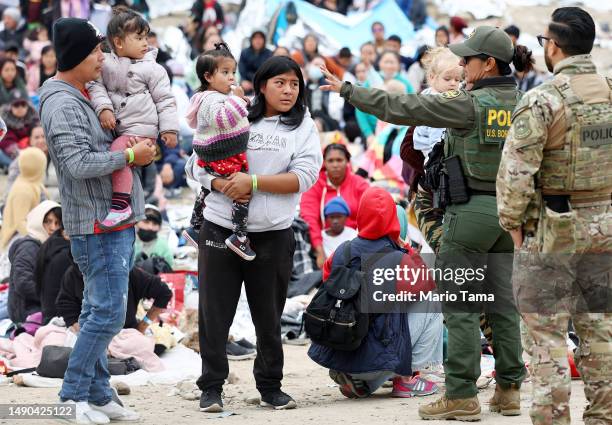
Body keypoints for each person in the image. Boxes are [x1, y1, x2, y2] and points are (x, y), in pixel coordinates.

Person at [320, 24, 532, 420]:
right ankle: (509, 390)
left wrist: (349, 91)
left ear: (488, 65)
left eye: (468, 59)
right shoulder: (523, 102)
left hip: (468, 215)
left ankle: (461, 395)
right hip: (510, 216)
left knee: (462, 306)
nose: (464, 65)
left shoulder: (468, 104)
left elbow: (404, 108)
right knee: (503, 305)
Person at [497, 7, 612, 425]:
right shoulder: (610, 92)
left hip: (552, 231)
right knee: (600, 334)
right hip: (604, 228)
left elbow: (514, 176)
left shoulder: (543, 99)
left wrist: (514, 231)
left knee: (546, 342)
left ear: (554, 46)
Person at [39, 17, 156, 424]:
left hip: (110, 221)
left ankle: (100, 393)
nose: (102, 58)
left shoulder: (85, 92)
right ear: (75, 57)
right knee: (106, 313)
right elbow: (75, 164)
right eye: (95, 51)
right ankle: (71, 396)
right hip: (96, 223)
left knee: (97, 310)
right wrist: (129, 156)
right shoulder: (61, 102)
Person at [193, 56, 322, 412]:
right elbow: (197, 162)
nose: (288, 90)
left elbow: (305, 176)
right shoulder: (230, 113)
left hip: (273, 234)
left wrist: (252, 182)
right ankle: (211, 386)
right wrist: (220, 183)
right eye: (280, 82)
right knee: (214, 313)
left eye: (294, 84)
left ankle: (269, 386)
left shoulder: (303, 126)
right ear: (261, 85)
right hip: (220, 227)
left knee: (269, 315)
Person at [308, 187, 433, 398]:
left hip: (339, 346)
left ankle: (354, 378)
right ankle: (406, 379)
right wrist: (409, 250)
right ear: (393, 219)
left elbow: (328, 280)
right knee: (431, 301)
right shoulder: (399, 259)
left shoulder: (343, 250)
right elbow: (427, 283)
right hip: (378, 358)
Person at [89, 6, 178, 230]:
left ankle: (120, 206)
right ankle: (122, 202)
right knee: (122, 160)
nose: (145, 42)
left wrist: (169, 129)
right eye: (139, 38)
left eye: (146, 37)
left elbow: (165, 100)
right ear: (118, 43)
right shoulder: (105, 63)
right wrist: (104, 108)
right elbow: (96, 86)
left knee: (119, 152)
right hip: (121, 126)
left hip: (142, 128)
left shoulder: (152, 68)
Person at [183, 43, 255, 259]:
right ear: (208, 77)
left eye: (233, 72)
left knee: (207, 189)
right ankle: (239, 236)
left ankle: (195, 227)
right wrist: (236, 99)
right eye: (225, 73)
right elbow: (224, 120)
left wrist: (239, 101)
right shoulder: (210, 99)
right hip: (223, 156)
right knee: (242, 193)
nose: (231, 77)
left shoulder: (214, 97)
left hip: (218, 155)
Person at [412, 47, 463, 251]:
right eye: (448, 78)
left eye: (457, 80)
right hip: (434, 166)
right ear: (432, 78)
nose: (453, 83)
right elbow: (436, 145)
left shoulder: (439, 98)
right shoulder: (435, 103)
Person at [300, 143, 368, 268]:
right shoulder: (314, 185)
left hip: (356, 245)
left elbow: (369, 216)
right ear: (324, 163)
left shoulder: (359, 184)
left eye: (339, 160)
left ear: (347, 161)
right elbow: (309, 219)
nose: (335, 165)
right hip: (323, 245)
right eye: (330, 161)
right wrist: (320, 252)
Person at [57, 262, 172, 334]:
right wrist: (78, 328)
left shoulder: (127, 272)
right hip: (85, 335)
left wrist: (142, 326)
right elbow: (65, 303)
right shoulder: (75, 272)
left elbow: (164, 293)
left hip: (123, 335)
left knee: (141, 345)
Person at [7, 200, 61, 324]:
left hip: (39, 307)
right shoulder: (29, 247)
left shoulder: (48, 245)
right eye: (48, 221)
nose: (53, 227)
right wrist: (51, 297)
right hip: (27, 312)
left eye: (57, 223)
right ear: (38, 221)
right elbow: (23, 283)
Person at [0, 147, 48, 249]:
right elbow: (19, 223)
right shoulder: (23, 190)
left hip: (29, 237)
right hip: (20, 242)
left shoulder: (33, 182)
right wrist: (40, 239)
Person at [35, 225, 70, 324]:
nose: (52, 227)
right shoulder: (66, 254)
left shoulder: (52, 246)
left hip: (48, 314)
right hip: (59, 318)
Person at [134, 204, 174, 269]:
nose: (150, 227)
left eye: (155, 224)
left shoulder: (162, 245)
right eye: (146, 222)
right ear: (137, 222)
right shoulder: (129, 242)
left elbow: (169, 268)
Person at [238, 30, 273, 95]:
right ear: (251, 40)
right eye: (255, 38)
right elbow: (242, 69)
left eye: (260, 38)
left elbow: (269, 71)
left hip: (263, 84)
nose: (258, 41)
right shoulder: (245, 52)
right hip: (247, 83)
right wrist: (243, 80)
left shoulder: (269, 54)